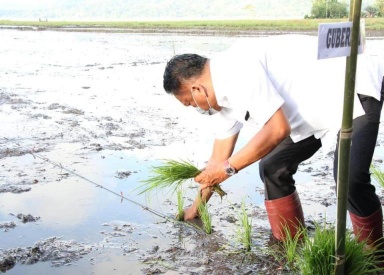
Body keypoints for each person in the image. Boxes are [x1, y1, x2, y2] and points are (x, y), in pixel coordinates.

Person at [162, 35, 384, 248]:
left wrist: (229, 169)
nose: (196, 108)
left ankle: (373, 256)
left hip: (351, 86)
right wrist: (196, 208)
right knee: (272, 166)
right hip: (313, 108)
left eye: (190, 103)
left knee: (350, 179)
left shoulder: (236, 68)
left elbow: (277, 129)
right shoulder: (220, 97)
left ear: (197, 89)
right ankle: (290, 242)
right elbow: (216, 163)